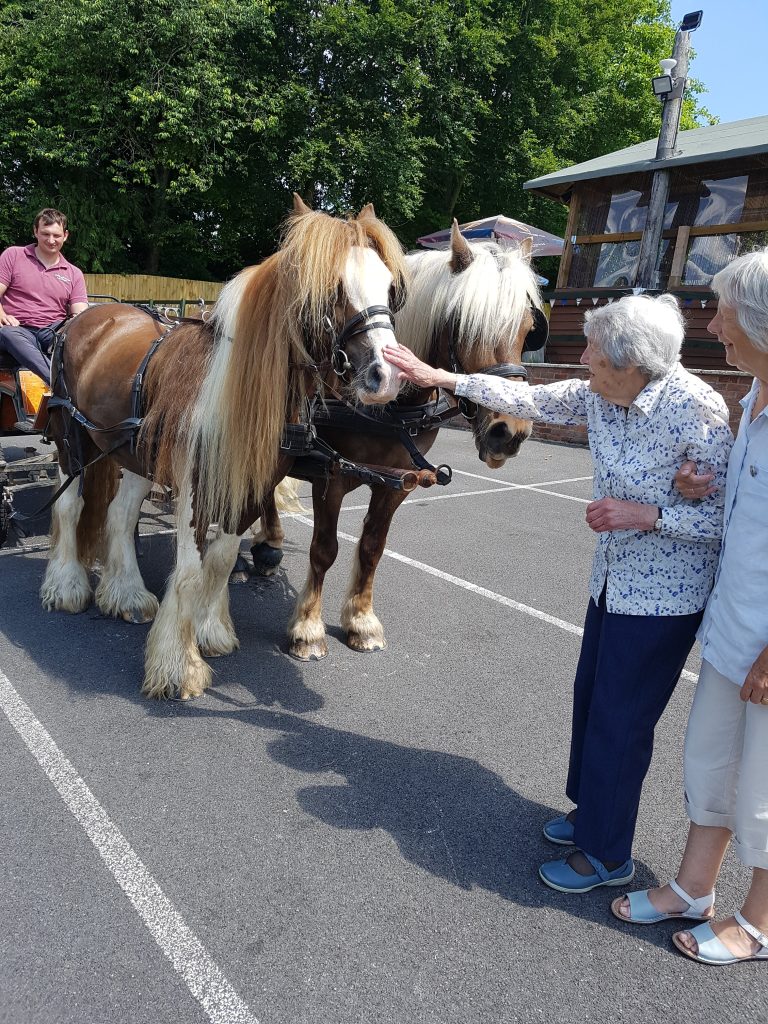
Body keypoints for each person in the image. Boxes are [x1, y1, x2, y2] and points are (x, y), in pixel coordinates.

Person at [383, 293, 733, 893]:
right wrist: (438, 375)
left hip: (662, 599)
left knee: (621, 723)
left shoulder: (696, 410)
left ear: (632, 363)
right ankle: (589, 815)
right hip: (613, 582)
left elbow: (726, 520)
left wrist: (645, 514)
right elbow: (528, 397)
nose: (583, 359)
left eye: (594, 352)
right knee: (592, 700)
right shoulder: (603, 394)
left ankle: (607, 855)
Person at [613, 248, 768, 966]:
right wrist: (699, 486)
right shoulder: (749, 402)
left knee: (765, 789)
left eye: (723, 310)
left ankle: (759, 923)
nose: (712, 323)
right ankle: (692, 888)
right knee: (711, 766)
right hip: (731, 626)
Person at [0, 208, 88, 388]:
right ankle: (60, 385)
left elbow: (79, 314)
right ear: (35, 231)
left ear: (65, 235)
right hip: (18, 328)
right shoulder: (14, 255)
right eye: (45, 234)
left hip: (52, 331)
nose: (51, 240)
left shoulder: (74, 273)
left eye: (56, 235)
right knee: (7, 333)